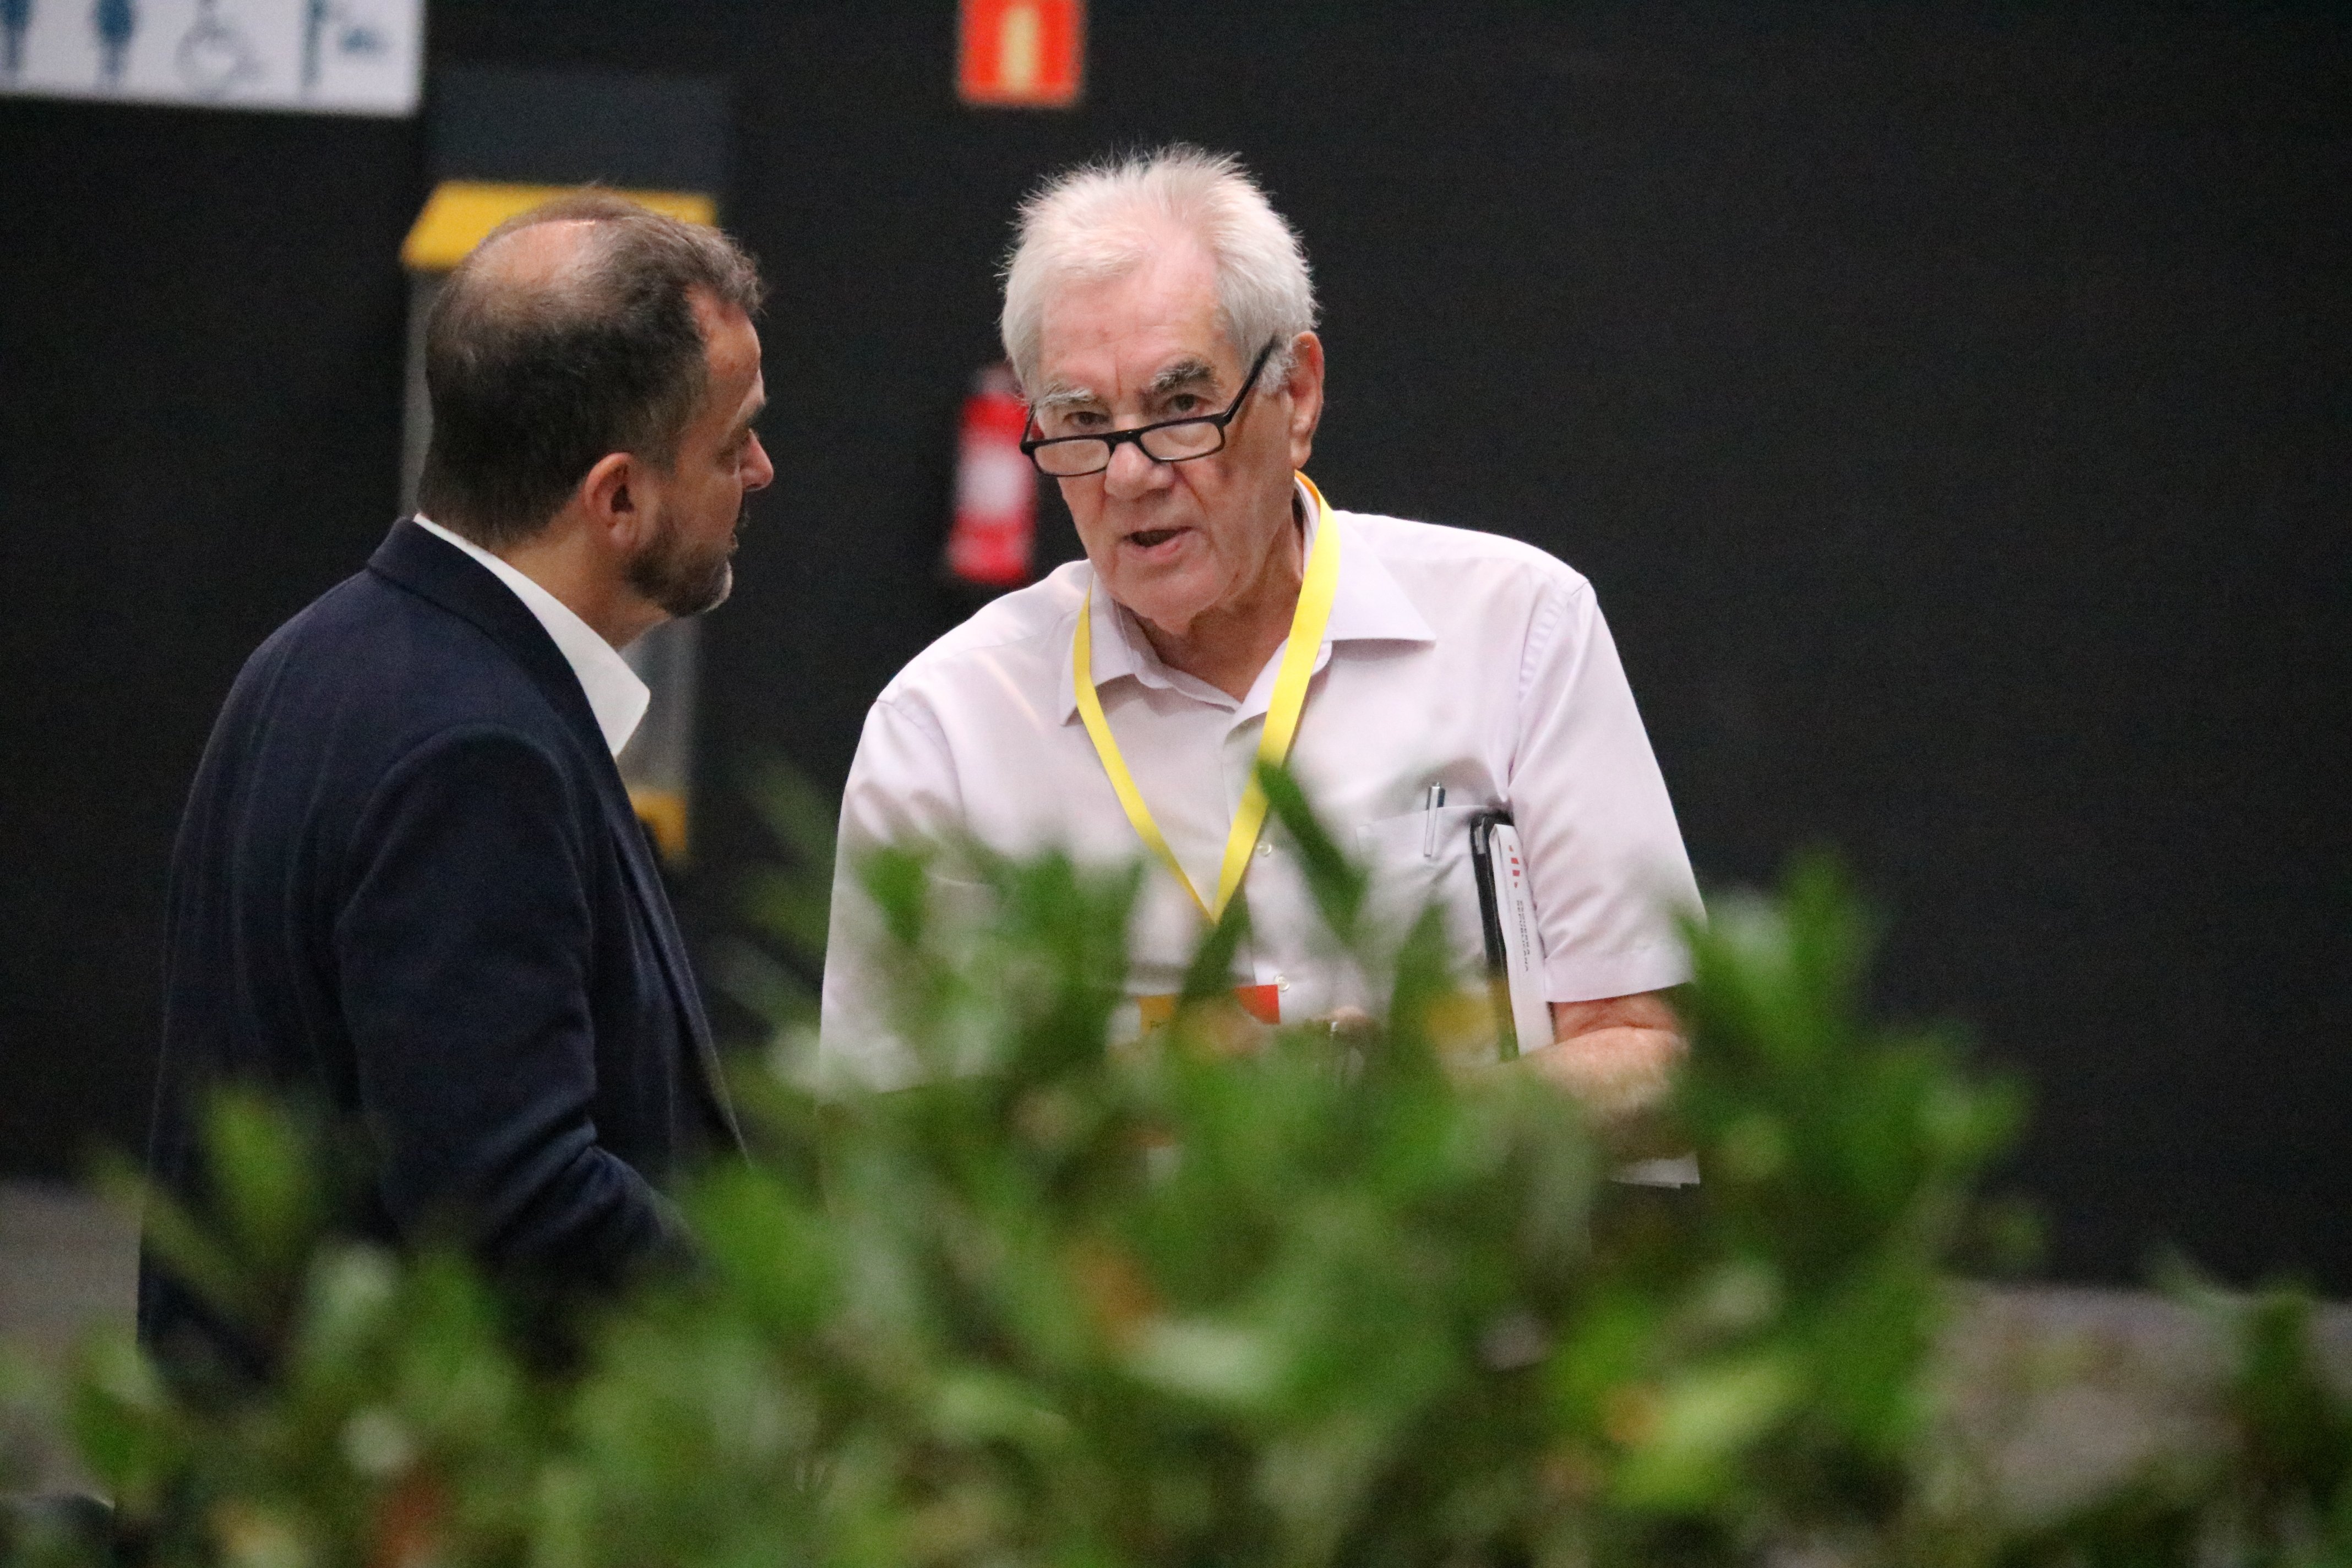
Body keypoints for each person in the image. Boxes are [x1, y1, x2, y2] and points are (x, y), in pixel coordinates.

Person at [819, 147, 1701, 1133]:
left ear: (1300, 396)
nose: (1128, 475)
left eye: (1180, 407)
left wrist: (1412, 1122)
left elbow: (1658, 1047)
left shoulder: (1514, 627)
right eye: (1080, 422)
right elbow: (877, 1138)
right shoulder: (948, 721)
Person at [141, 193, 774, 1379]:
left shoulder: (323, 654)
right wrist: (778, 1312)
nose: (762, 468)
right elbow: (514, 1199)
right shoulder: (476, 751)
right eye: (733, 439)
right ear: (618, 497)